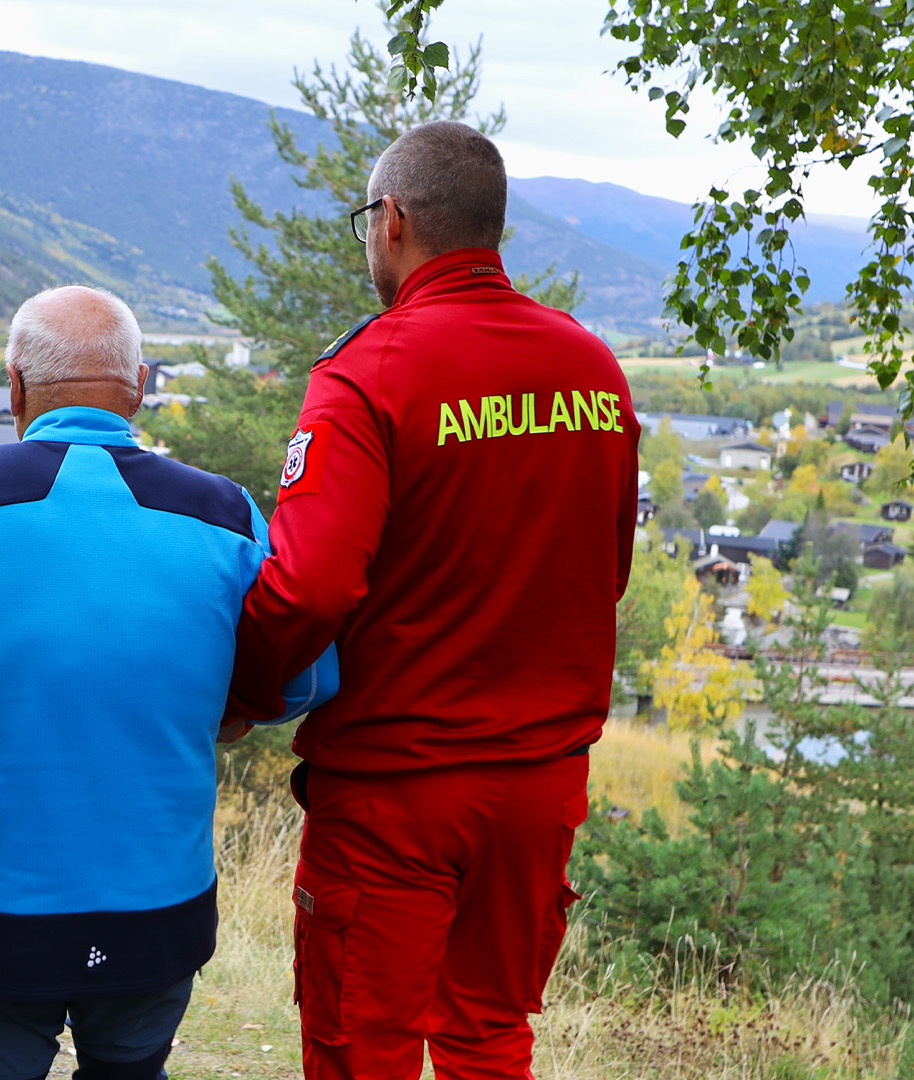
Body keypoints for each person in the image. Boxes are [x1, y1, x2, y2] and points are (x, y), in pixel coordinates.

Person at [221, 121, 642, 1079]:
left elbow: (312, 582)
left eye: (370, 220)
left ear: (394, 222)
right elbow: (604, 570)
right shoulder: (591, 367)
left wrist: (242, 697)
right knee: (490, 1038)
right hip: (539, 786)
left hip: (395, 788)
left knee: (360, 1046)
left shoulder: (366, 374)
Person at [0, 285, 333, 1080]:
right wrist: (221, 710)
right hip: (159, 912)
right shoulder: (225, 514)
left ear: (13, 386)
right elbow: (304, 679)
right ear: (140, 386)